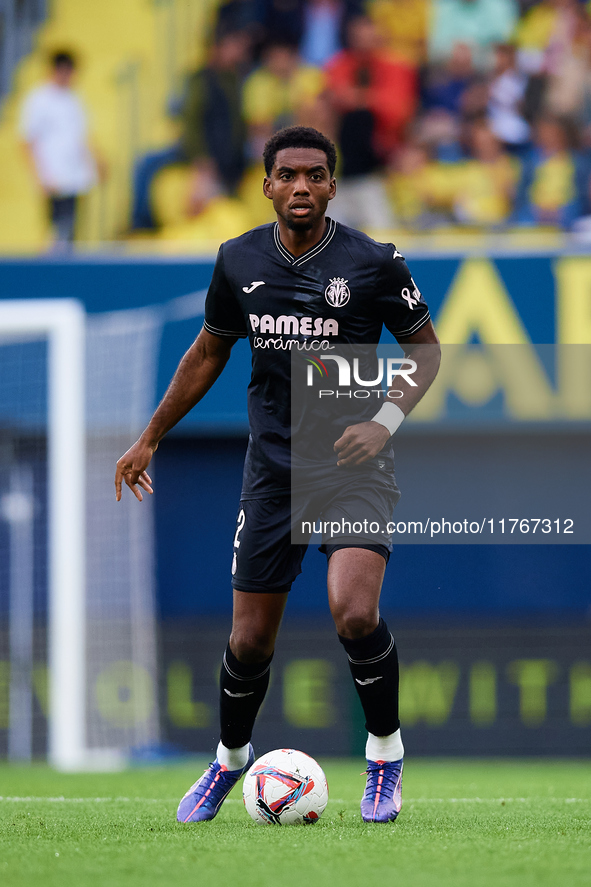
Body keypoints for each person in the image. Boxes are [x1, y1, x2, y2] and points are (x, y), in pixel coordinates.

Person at [115, 126, 440, 824]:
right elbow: (207, 352)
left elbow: (426, 352)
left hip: (356, 465)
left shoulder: (374, 262)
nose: (300, 186)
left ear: (330, 184)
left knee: (354, 612)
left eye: (314, 175)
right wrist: (149, 436)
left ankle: (383, 754)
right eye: (287, 174)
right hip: (272, 472)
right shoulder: (237, 260)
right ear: (265, 184)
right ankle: (230, 760)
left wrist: (381, 420)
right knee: (249, 640)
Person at [19, 50, 100, 248]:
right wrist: (40, 175)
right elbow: (27, 140)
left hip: (75, 176)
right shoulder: (39, 99)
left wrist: (96, 162)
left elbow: (82, 136)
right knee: (58, 230)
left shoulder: (75, 98)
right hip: (54, 176)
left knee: (72, 230)